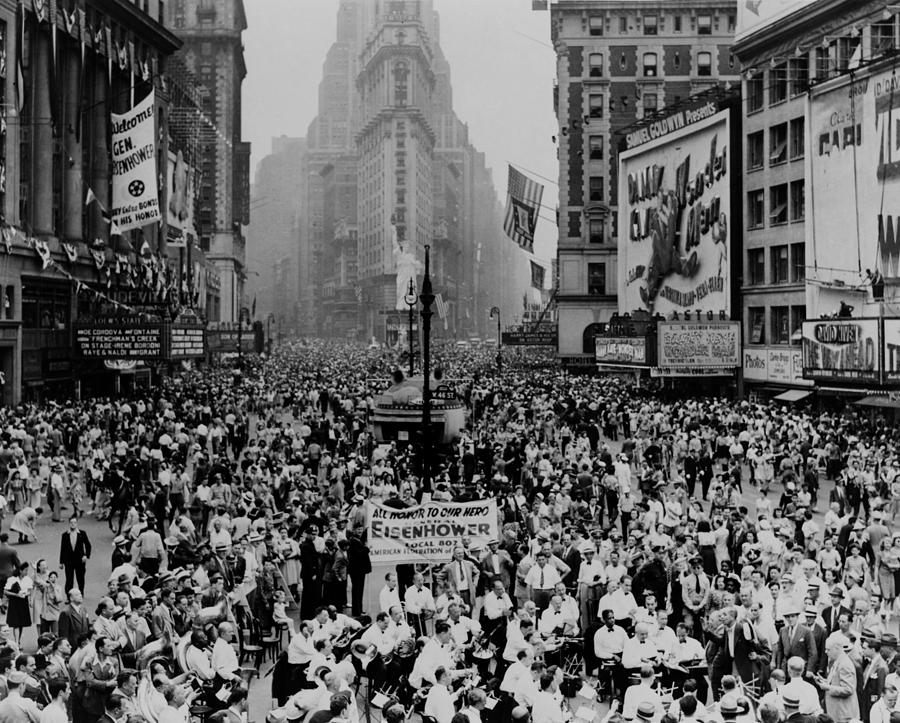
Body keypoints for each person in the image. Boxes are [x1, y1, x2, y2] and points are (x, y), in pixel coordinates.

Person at [59, 515, 91, 594]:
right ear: (69, 524)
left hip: (80, 560)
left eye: (74, 522)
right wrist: (61, 562)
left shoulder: (82, 533)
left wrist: (86, 555)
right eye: (71, 522)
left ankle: (81, 593)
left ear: (77, 524)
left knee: (80, 578)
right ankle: (69, 595)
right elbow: (63, 549)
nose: (73, 524)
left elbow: (88, 545)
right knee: (69, 579)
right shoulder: (65, 535)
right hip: (69, 560)